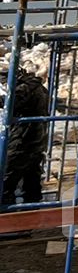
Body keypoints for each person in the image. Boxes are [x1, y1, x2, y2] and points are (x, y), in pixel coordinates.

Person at [2, 71, 48, 207]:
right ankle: (32, 209)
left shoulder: (25, 89)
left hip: (23, 139)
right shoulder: (39, 87)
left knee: (7, 176)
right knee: (31, 176)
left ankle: (6, 210)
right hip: (37, 138)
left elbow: (11, 103)